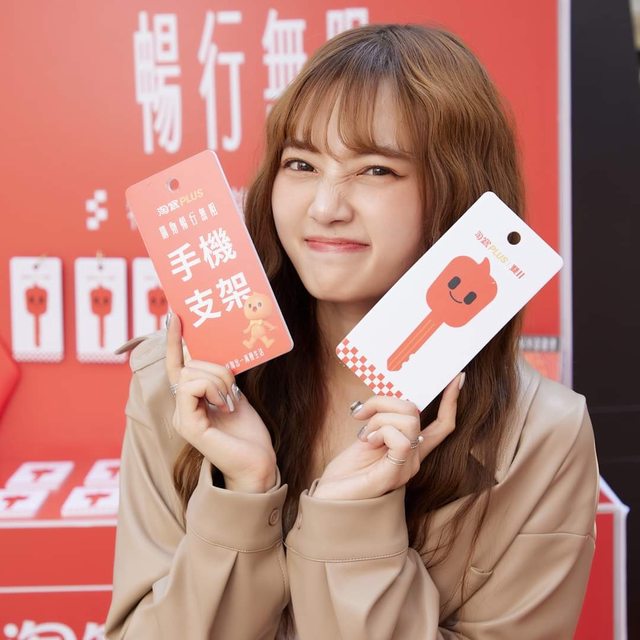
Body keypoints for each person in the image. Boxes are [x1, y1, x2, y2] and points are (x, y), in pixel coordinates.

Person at [105, 24, 599, 640]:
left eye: (376, 170)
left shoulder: (540, 435)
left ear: (461, 193)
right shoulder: (182, 383)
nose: (325, 207)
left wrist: (352, 528)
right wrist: (242, 494)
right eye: (301, 164)